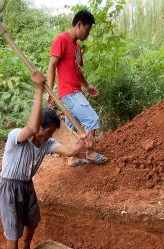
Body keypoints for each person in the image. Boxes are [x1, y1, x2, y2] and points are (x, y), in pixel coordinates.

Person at [0, 71, 85, 249]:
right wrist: (38, 90)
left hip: (27, 186)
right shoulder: (17, 137)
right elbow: (30, 128)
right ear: (40, 127)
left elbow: (70, 151)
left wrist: (84, 141)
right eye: (49, 131)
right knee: (13, 233)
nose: (51, 136)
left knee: (33, 220)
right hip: (9, 187)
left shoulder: (47, 145)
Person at [47, 9, 107, 167]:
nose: (87, 34)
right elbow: (52, 64)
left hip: (75, 91)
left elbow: (78, 69)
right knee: (92, 120)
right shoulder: (61, 39)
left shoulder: (77, 47)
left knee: (72, 126)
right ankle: (90, 152)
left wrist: (87, 86)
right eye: (87, 30)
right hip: (69, 92)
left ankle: (72, 158)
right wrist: (49, 90)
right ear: (79, 25)